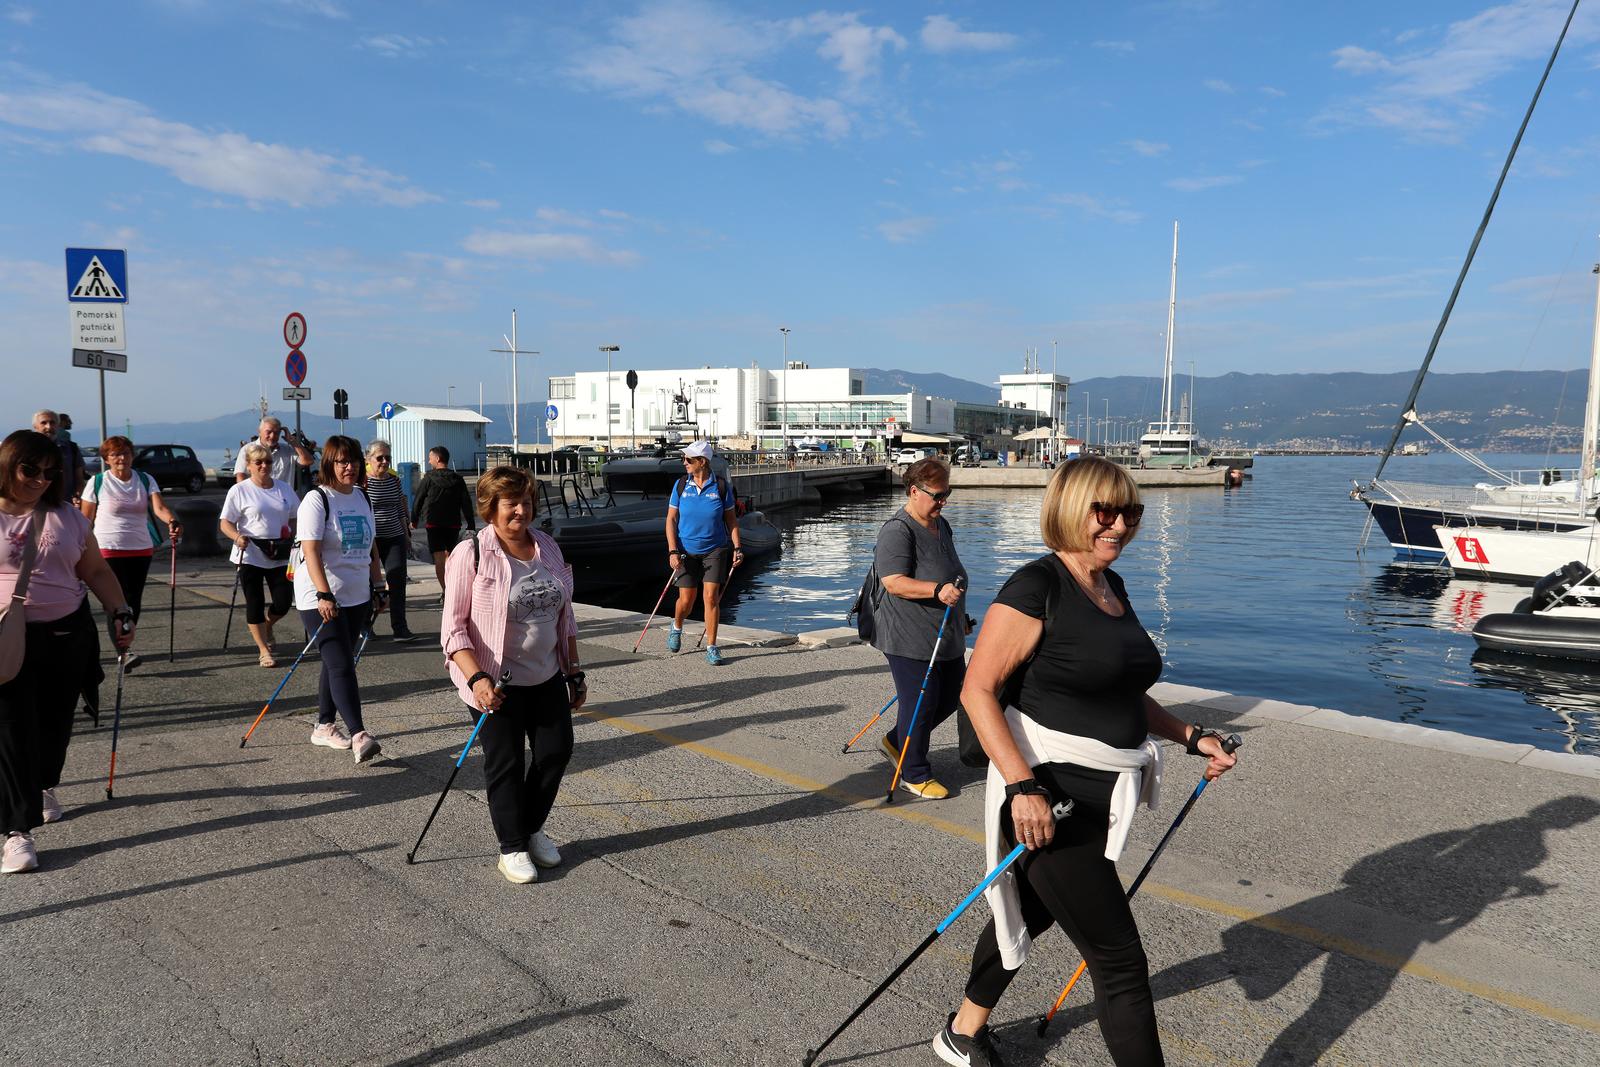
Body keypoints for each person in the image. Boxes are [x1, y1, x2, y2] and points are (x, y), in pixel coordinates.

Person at [936, 456, 1237, 1067]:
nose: (1120, 525)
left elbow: (1120, 690)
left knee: (1032, 911)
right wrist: (1023, 789)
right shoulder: (1035, 588)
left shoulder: (1111, 585)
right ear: (1071, 510)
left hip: (1103, 794)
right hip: (1051, 796)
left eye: (1131, 512)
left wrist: (1190, 735)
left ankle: (962, 1031)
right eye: (1105, 511)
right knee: (1120, 961)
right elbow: (977, 690)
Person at [1, 430, 136, 874]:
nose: (40, 479)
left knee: (54, 725)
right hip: (6, 638)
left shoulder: (67, 517)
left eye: (49, 472)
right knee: (12, 730)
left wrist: (120, 611)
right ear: (7, 465)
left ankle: (43, 783)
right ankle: (16, 831)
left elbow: (94, 570)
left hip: (66, 634)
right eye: (29, 470)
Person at [441, 466, 583, 884]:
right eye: (511, 504)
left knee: (556, 752)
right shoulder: (471, 553)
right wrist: (476, 679)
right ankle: (512, 847)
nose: (521, 510)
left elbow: (566, 617)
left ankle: (531, 827)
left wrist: (574, 671)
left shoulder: (547, 546)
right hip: (494, 683)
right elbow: (453, 629)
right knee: (505, 763)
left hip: (547, 675)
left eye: (526, 502)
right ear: (490, 508)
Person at [870, 457, 967, 800]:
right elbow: (894, 582)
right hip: (907, 634)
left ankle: (896, 742)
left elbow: (948, 569)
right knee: (921, 703)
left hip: (944, 632)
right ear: (914, 491)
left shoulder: (941, 525)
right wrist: (937, 590)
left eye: (947, 494)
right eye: (938, 496)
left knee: (954, 694)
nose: (944, 502)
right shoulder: (898, 530)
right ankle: (913, 772)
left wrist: (961, 616)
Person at [293, 435, 386, 762]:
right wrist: (323, 593)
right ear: (329, 464)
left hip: (356, 594)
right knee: (342, 663)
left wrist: (379, 585)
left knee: (336, 660)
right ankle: (360, 734)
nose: (350, 467)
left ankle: (323, 725)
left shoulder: (362, 496)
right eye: (342, 461)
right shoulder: (317, 499)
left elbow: (372, 546)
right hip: (319, 596)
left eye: (354, 460)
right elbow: (311, 550)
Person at [80, 435, 181, 672]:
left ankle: (125, 644)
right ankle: (123, 652)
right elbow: (85, 519)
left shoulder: (145, 479)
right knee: (116, 601)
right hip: (108, 548)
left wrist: (172, 521)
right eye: (115, 454)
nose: (121, 458)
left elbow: (159, 508)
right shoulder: (97, 482)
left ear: (132, 455)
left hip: (140, 548)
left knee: (134, 600)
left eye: (125, 453)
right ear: (106, 459)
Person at [219, 443, 300, 668]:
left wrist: (294, 533)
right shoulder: (239, 490)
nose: (264, 466)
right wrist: (236, 536)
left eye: (268, 462)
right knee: (255, 602)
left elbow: (296, 515)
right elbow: (225, 523)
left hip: (280, 552)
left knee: (283, 602)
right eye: (259, 462)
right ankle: (264, 650)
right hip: (250, 552)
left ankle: (267, 624)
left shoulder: (284, 488)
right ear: (249, 465)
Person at [663, 440, 743, 666]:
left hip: (715, 549)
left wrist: (738, 547)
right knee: (686, 601)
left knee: (710, 597)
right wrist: (672, 551)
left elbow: (731, 521)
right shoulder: (681, 485)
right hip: (686, 550)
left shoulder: (720, 487)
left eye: (688, 459)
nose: (684, 462)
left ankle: (712, 646)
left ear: (702, 461)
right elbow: (671, 520)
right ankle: (677, 626)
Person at [363, 441, 414, 642]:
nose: (384, 461)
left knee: (397, 582)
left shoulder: (394, 480)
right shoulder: (362, 482)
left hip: (394, 537)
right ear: (368, 459)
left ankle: (400, 628)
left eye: (388, 458)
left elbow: (399, 508)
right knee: (368, 584)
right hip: (371, 540)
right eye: (380, 458)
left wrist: (406, 534)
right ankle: (366, 625)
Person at [411, 446, 475, 595]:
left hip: (433, 523)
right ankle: (452, 588)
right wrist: (470, 523)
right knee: (450, 556)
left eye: (430, 458)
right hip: (453, 523)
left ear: (438, 459)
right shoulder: (458, 479)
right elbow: (466, 502)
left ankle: (445, 591)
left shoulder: (428, 478)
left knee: (438, 557)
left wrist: (414, 519)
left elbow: (418, 500)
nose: (429, 461)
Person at [233, 416, 313, 487]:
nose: (272, 436)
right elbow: (240, 475)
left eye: (276, 433)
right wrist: (246, 494)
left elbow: (307, 461)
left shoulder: (287, 450)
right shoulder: (247, 449)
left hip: (282, 496)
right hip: (257, 496)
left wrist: (293, 443)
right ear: (259, 431)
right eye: (268, 432)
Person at [31, 410, 86, 503]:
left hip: (64, 504)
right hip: (34, 504)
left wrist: (77, 496)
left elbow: (79, 479)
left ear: (58, 426)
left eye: (52, 423)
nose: (48, 427)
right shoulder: (26, 449)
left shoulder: (71, 448)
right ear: (35, 426)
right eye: (43, 423)